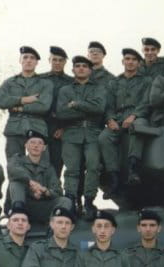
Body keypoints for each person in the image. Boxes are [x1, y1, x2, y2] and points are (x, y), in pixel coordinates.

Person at [55, 55, 106, 219]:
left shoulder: (98, 88)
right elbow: (62, 113)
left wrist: (76, 104)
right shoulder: (65, 90)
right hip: (71, 133)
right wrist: (88, 108)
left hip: (93, 133)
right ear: (73, 70)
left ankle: (89, 201)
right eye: (78, 66)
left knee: (93, 167)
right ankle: (70, 201)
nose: (81, 68)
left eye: (85, 66)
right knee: (72, 170)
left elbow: (99, 108)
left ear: (90, 70)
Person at [99, 48, 152, 188]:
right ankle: (113, 175)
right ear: (123, 61)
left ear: (139, 63)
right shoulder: (114, 82)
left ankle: (133, 169)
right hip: (118, 117)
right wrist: (110, 120)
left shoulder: (146, 81)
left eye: (134, 60)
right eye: (127, 59)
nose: (130, 62)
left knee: (138, 127)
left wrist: (134, 116)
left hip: (138, 116)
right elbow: (108, 105)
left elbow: (147, 102)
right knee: (104, 137)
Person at [0, 46, 54, 160]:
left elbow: (44, 106)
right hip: (14, 128)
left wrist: (20, 108)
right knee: (14, 163)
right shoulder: (9, 82)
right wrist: (23, 99)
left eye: (32, 58)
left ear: (36, 62)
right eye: (25, 57)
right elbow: (1, 101)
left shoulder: (45, 83)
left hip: (37, 128)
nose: (28, 60)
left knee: (40, 165)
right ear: (20, 60)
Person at [7, 130, 73, 224]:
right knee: (16, 183)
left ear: (44, 147)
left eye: (40, 143)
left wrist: (44, 191)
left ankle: (55, 226)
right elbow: (13, 170)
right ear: (26, 145)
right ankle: (19, 217)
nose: (36, 146)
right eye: (32, 142)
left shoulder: (49, 167)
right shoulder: (17, 160)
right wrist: (31, 183)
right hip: (23, 203)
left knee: (65, 201)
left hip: (42, 205)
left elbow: (58, 191)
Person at [39, 46, 74, 177]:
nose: (57, 63)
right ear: (49, 60)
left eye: (61, 60)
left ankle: (54, 188)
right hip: (41, 125)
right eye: (54, 60)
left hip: (60, 127)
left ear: (65, 62)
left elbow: (74, 108)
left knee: (56, 163)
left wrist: (64, 128)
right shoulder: (40, 79)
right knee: (38, 162)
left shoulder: (72, 82)